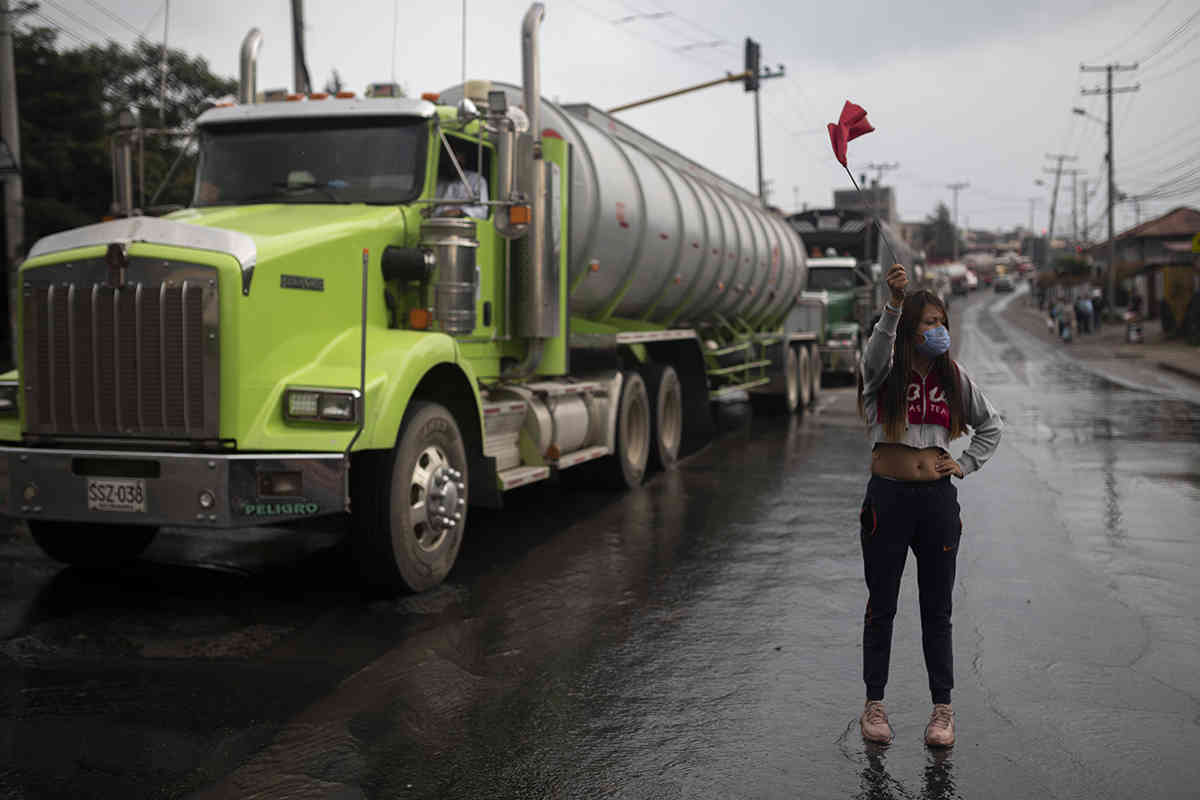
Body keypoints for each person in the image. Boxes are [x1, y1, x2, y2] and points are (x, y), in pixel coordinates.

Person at [855, 264, 1003, 749]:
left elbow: (991, 425)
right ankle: (874, 703)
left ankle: (943, 710)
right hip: (888, 501)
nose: (938, 331)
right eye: (929, 324)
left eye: (943, 323)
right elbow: (876, 352)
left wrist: (965, 465)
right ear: (910, 329)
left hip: (937, 504)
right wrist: (894, 306)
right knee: (883, 606)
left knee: (936, 610)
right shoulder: (883, 372)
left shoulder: (951, 376)